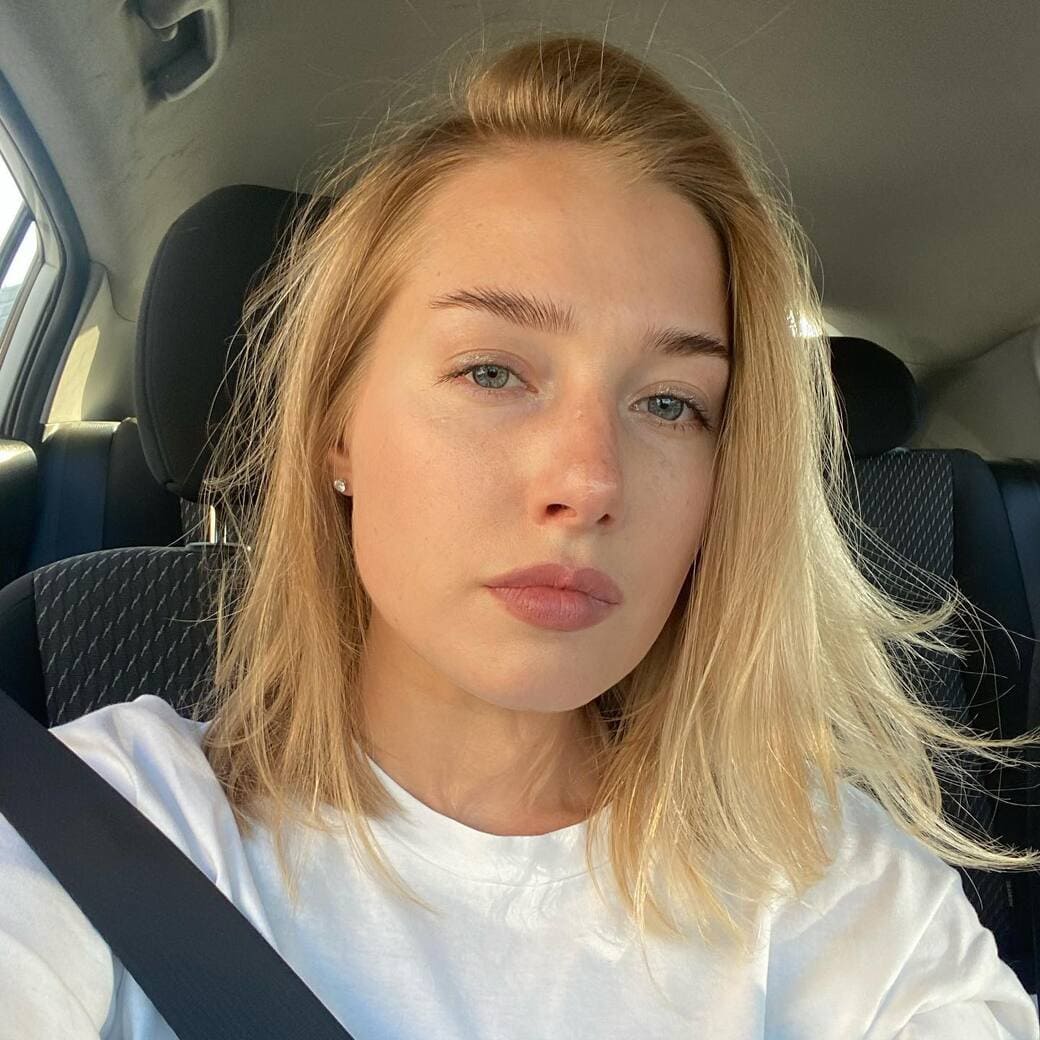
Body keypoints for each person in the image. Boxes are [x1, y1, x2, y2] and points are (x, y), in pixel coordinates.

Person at [2, 31, 1039, 1040]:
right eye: (491, 371)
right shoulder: (94, 829)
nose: (588, 483)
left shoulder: (839, 891)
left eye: (671, 403)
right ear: (336, 428)